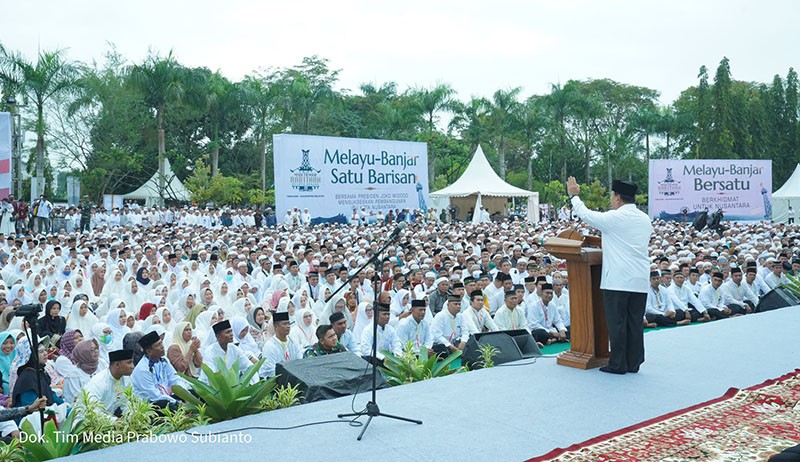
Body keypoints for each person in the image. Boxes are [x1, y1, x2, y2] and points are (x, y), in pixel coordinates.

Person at [567, 177, 652, 375]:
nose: (611, 201)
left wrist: (574, 195)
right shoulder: (644, 218)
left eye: (612, 197)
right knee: (634, 323)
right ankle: (633, 362)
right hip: (639, 279)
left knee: (617, 324)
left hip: (618, 280)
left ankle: (618, 364)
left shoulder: (615, 218)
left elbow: (585, 214)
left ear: (618, 198)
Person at [130, 331, 187, 409]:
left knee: (193, 393)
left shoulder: (164, 361)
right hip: (151, 403)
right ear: (149, 351)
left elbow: (175, 379)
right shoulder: (143, 369)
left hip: (166, 396)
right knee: (166, 404)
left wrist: (185, 395)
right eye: (158, 345)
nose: (162, 346)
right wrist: (177, 403)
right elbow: (154, 396)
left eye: (161, 343)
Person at [84, 349, 135, 417]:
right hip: (86, 422)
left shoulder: (125, 379)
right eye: (129, 363)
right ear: (117, 365)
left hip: (107, 421)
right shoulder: (99, 381)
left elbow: (125, 404)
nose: (132, 366)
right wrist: (114, 421)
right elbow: (92, 409)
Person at [259, 311, 303, 378]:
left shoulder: (293, 342)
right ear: (275, 326)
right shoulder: (270, 346)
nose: (288, 326)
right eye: (284, 324)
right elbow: (269, 371)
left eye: (289, 323)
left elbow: (299, 362)